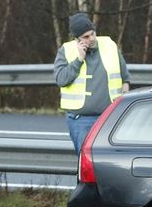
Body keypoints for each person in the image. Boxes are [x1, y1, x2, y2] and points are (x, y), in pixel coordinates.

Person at [53, 12, 130, 154]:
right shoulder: (67, 51)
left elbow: (124, 75)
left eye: (93, 33)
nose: (92, 39)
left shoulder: (109, 45)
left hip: (110, 116)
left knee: (110, 161)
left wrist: (125, 93)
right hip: (81, 120)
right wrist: (79, 59)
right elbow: (61, 79)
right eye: (86, 37)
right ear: (77, 39)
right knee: (86, 163)